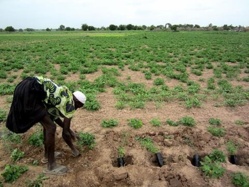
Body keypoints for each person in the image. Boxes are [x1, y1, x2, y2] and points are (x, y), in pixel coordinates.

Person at [6, 76, 86, 175]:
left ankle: (47, 156)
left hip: (25, 85)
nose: (76, 109)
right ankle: (51, 166)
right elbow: (65, 134)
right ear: (77, 102)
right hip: (31, 90)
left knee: (48, 125)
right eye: (78, 106)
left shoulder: (64, 95)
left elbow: (54, 117)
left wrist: (69, 130)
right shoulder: (70, 105)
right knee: (51, 127)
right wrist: (74, 150)